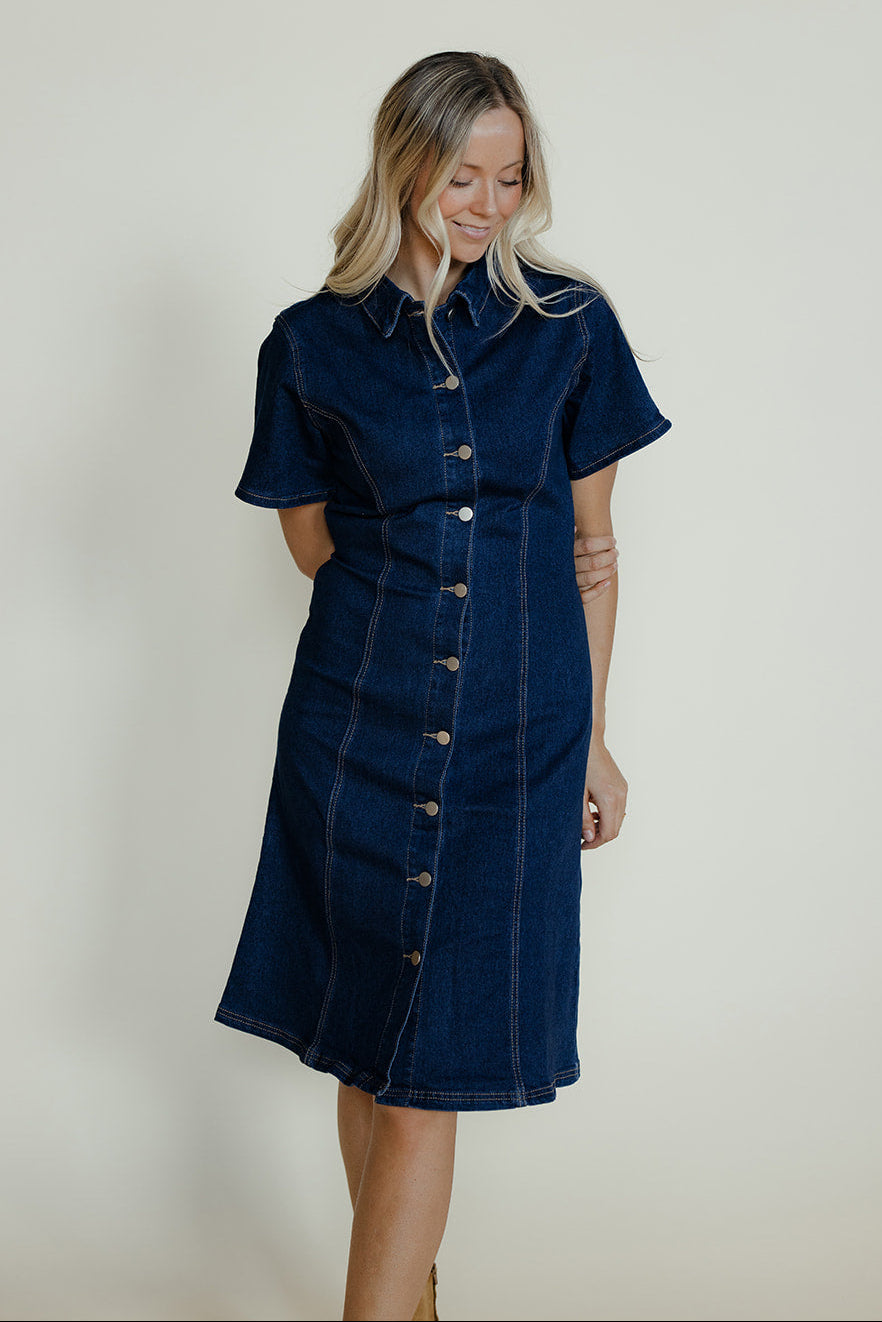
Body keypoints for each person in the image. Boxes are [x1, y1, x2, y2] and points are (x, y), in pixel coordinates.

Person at [215, 49, 672, 1322]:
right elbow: (314, 547)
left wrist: (593, 737)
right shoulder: (310, 344)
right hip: (353, 736)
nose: (486, 203)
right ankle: (409, 1297)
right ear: (404, 165)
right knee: (368, 1047)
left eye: (509, 178)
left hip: (516, 742)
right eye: (463, 175)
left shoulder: (569, 329)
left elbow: (591, 552)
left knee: (426, 1070)